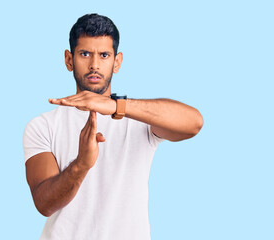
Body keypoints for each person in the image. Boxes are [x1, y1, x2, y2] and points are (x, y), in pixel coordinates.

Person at [23, 13, 203, 240]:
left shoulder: (139, 119)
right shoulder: (42, 125)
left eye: (104, 55)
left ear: (117, 62)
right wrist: (80, 165)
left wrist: (117, 106)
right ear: (69, 60)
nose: (94, 65)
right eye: (85, 54)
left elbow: (194, 123)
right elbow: (44, 204)